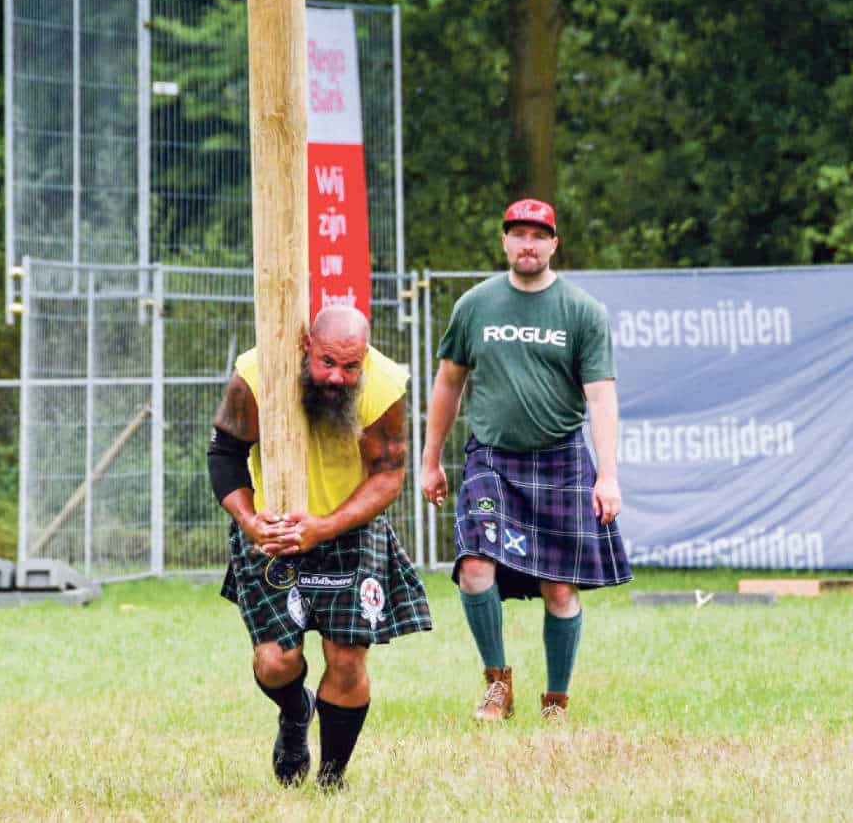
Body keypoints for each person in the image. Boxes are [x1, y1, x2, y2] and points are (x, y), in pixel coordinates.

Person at [419, 198, 631, 723]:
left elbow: (602, 397)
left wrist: (607, 474)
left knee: (559, 585)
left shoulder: (582, 311)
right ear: (505, 241)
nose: (528, 244)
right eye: (518, 234)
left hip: (560, 460)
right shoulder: (475, 305)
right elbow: (449, 382)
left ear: (554, 243)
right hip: (490, 458)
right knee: (473, 567)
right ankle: (497, 683)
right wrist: (430, 460)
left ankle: (555, 700)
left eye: (539, 235)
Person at [209, 305, 432, 789]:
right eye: (327, 362)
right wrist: (250, 521)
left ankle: (332, 778)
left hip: (347, 526)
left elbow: (389, 475)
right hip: (271, 528)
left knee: (347, 658)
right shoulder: (256, 373)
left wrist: (325, 526)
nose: (337, 377)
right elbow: (224, 454)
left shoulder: (384, 385)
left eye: (351, 366)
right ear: (308, 345)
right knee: (276, 660)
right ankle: (295, 714)